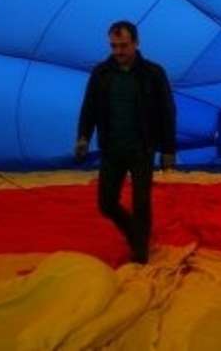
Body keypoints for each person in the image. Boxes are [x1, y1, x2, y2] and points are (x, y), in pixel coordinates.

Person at [74, 20, 177, 264]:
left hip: (142, 147)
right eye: (114, 46)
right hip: (111, 147)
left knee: (141, 202)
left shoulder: (153, 73)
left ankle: (140, 252)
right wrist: (83, 137)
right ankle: (136, 234)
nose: (119, 51)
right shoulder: (101, 73)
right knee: (106, 203)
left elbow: (167, 112)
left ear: (136, 43)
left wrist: (168, 149)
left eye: (123, 46)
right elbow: (88, 108)